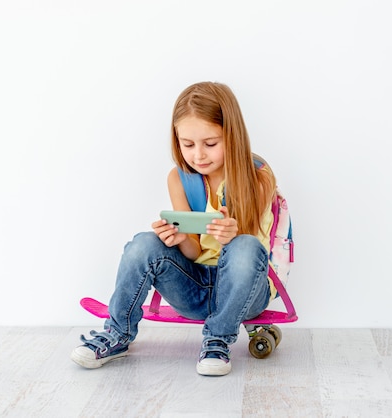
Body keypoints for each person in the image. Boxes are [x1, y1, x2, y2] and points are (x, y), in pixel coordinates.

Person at [71, 81, 278, 376]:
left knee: (244, 246)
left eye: (210, 143)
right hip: (195, 289)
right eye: (188, 144)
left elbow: (251, 256)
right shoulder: (180, 178)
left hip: (244, 293)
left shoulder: (257, 177)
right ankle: (117, 334)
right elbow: (193, 252)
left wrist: (232, 234)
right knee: (144, 244)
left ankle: (218, 341)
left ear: (232, 136)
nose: (198, 155)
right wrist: (181, 238)